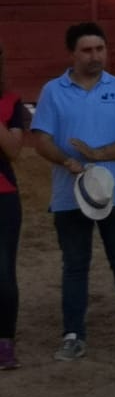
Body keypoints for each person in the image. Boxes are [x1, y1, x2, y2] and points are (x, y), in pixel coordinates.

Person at [31, 22, 115, 361]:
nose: (95, 56)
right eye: (87, 50)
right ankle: (73, 334)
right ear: (72, 54)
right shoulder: (53, 91)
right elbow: (41, 140)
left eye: (100, 49)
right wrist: (67, 160)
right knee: (75, 265)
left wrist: (100, 155)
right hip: (69, 194)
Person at [0, 44, 31, 369]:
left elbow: (13, 150)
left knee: (3, 272)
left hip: (3, 197)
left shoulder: (12, 104)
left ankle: (4, 342)